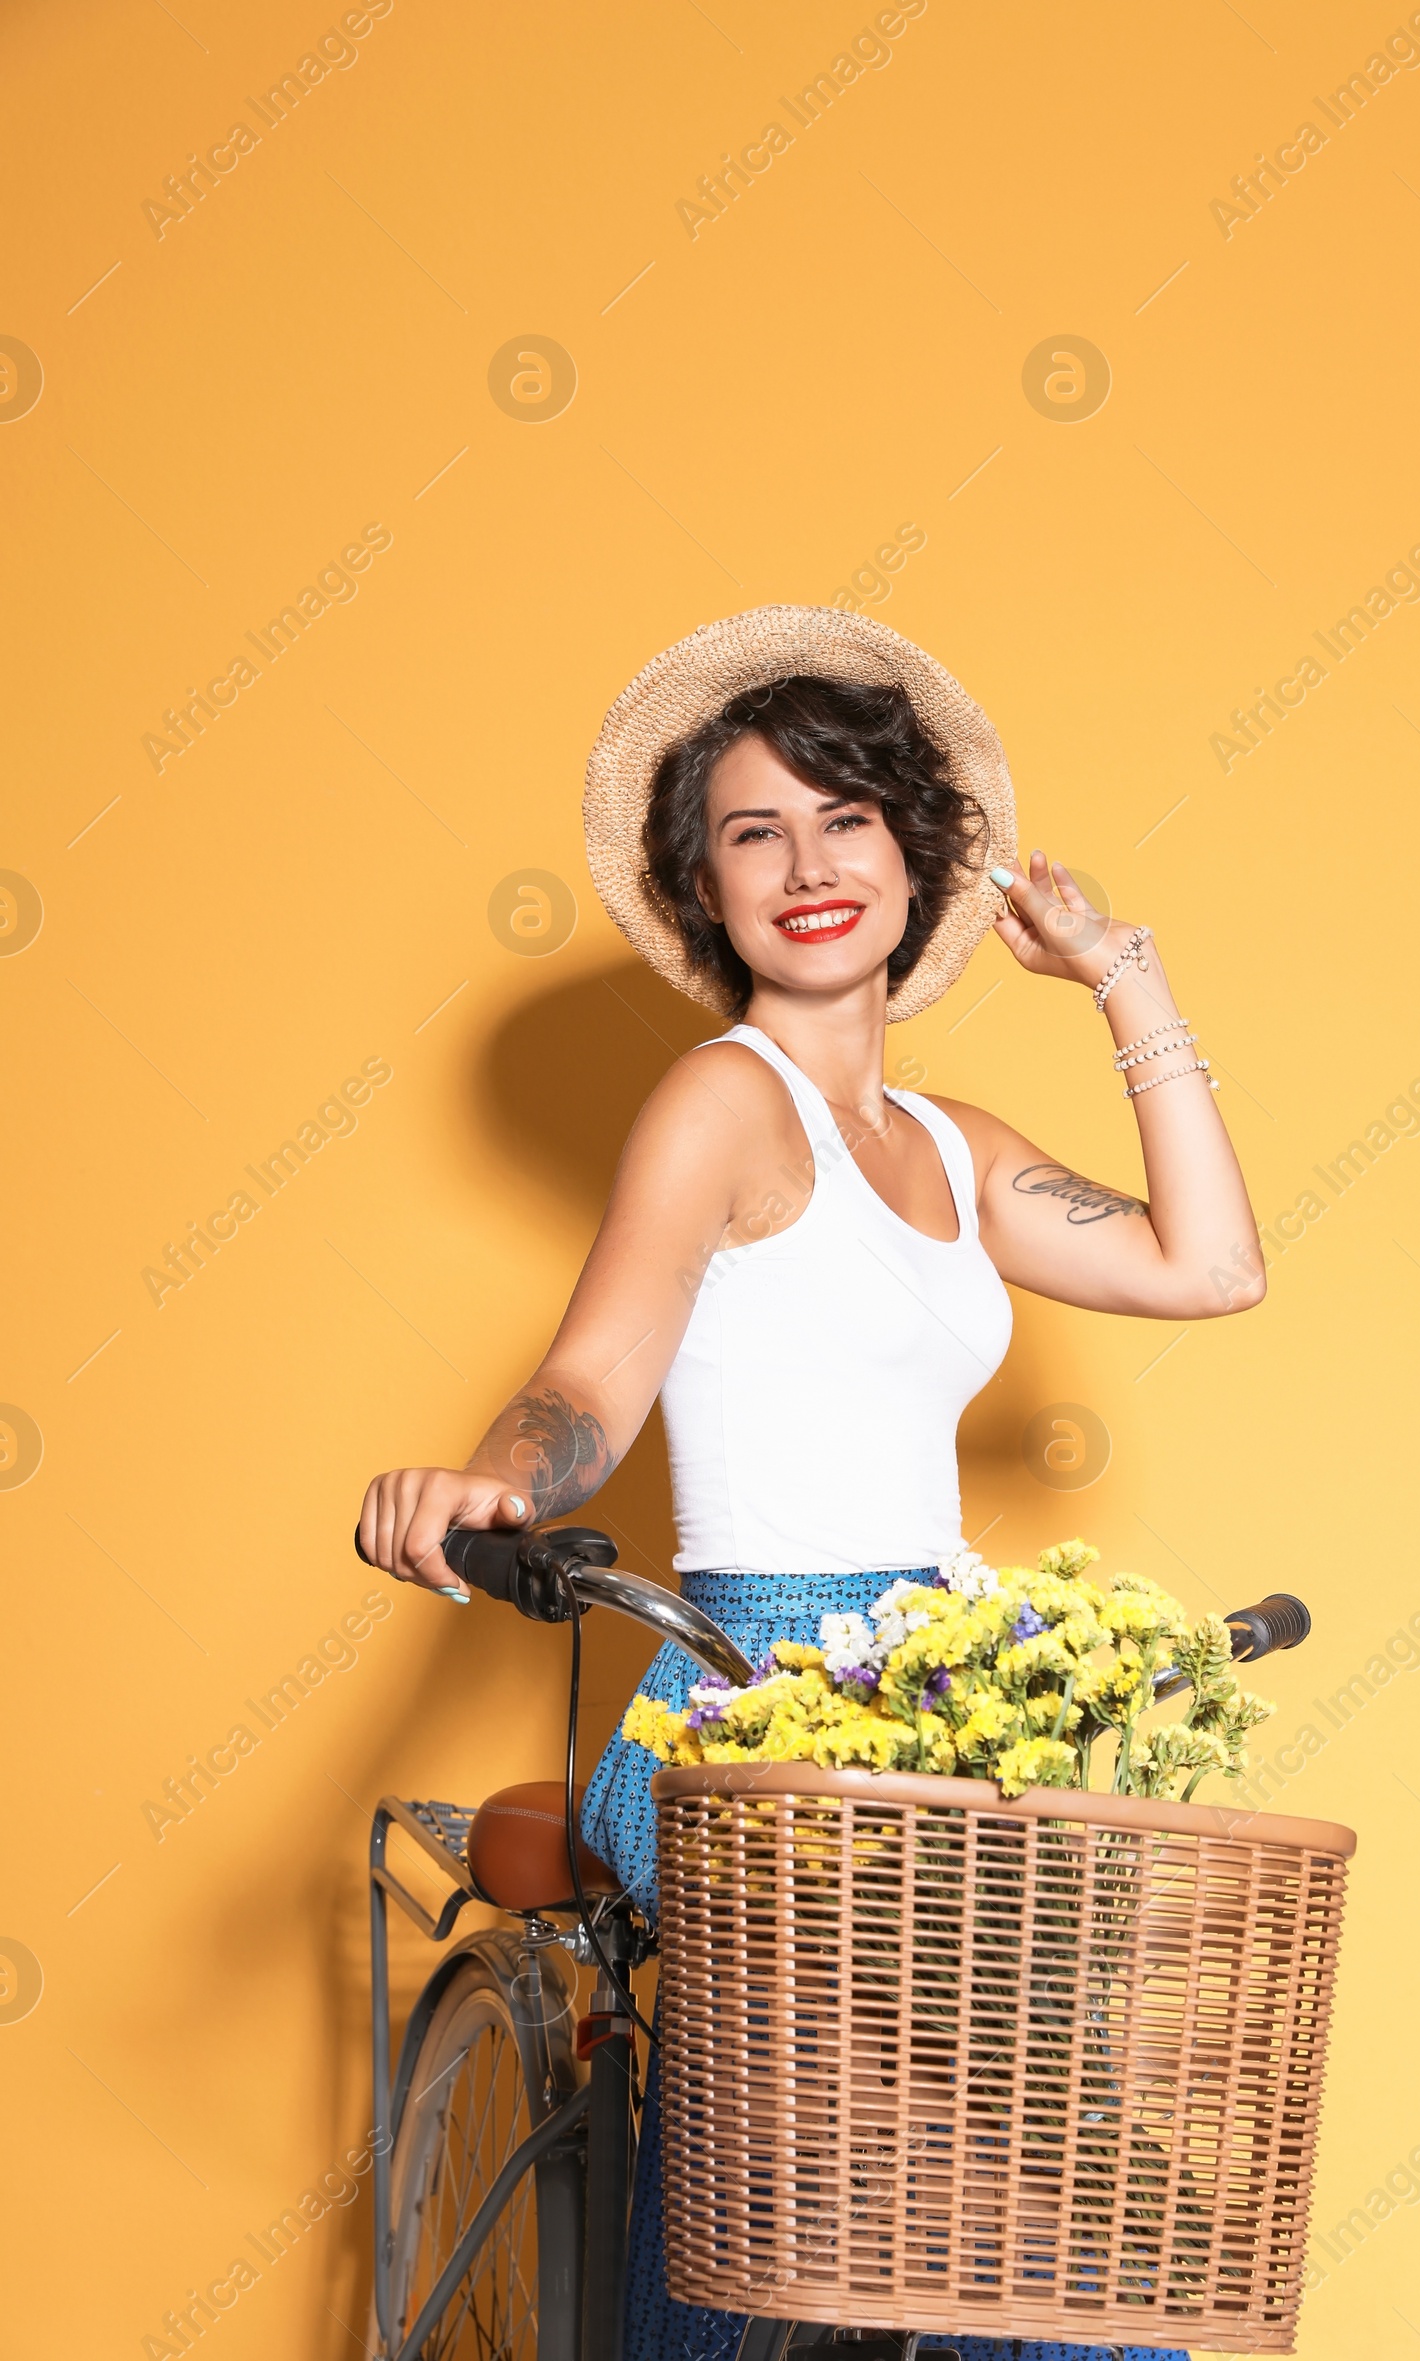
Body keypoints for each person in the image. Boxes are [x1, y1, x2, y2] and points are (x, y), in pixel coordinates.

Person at [359, 605, 1266, 2361]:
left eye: (847, 817)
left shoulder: (956, 1150)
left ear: (920, 859)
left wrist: (1118, 970)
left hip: (941, 1699)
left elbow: (1211, 1265)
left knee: (1050, 2189)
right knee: (809, 2181)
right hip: (736, 1683)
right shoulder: (719, 1100)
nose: (808, 863)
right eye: (753, 831)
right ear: (708, 890)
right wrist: (487, 1485)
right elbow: (590, 1376)